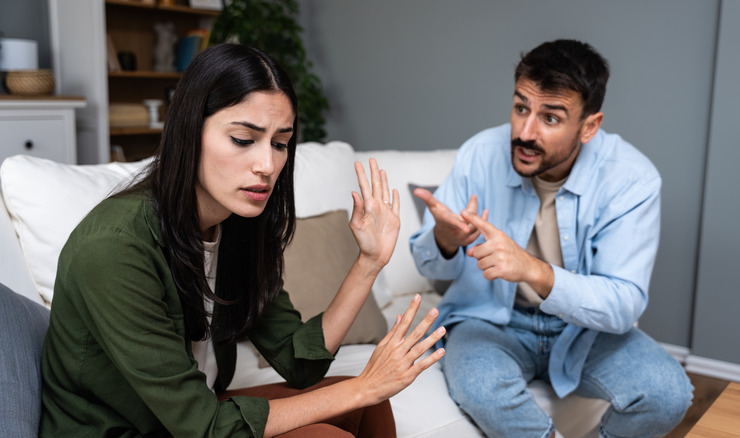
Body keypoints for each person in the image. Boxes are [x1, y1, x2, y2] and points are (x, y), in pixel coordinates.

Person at [39, 43, 445, 438]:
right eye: (243, 139)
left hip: (196, 416)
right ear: (189, 131)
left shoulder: (239, 225)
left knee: (367, 404)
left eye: (281, 143)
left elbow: (297, 361)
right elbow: (203, 427)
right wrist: (364, 384)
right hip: (133, 429)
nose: (267, 165)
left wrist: (369, 261)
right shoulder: (115, 247)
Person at [410, 39, 692, 437]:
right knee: (481, 387)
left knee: (666, 394)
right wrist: (445, 238)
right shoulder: (479, 154)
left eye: (551, 118)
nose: (525, 132)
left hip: (584, 331)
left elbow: (623, 305)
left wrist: (535, 271)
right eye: (521, 107)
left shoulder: (631, 180)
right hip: (491, 320)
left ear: (590, 126)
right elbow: (428, 264)